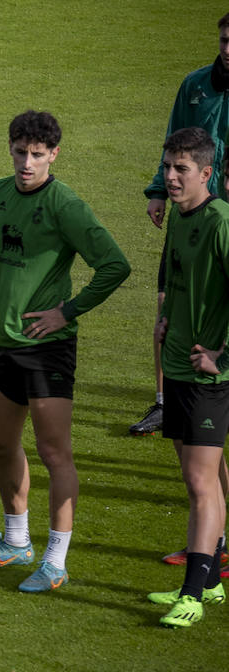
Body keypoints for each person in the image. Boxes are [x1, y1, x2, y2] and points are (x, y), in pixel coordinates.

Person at [0, 111, 130, 592]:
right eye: (20, 152)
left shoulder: (65, 205)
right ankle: (16, 542)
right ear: (10, 148)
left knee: (55, 453)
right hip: (4, 346)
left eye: (37, 155)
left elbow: (114, 265)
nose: (26, 163)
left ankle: (55, 558)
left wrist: (68, 312)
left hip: (48, 349)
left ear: (54, 154)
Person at [146, 128, 229, 627]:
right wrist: (167, 317)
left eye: (181, 169)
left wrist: (224, 356)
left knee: (201, 483)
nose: (170, 178)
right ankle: (214, 582)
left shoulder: (220, 222)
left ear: (206, 173)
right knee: (195, 479)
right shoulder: (180, 218)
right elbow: (177, 275)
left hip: (208, 379)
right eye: (167, 167)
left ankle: (193, 593)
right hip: (177, 366)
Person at [132, 12, 229, 438]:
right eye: (225, 39)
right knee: (168, 301)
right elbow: (174, 139)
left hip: (219, 213)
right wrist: (159, 188)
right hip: (188, 212)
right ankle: (164, 401)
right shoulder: (195, 85)